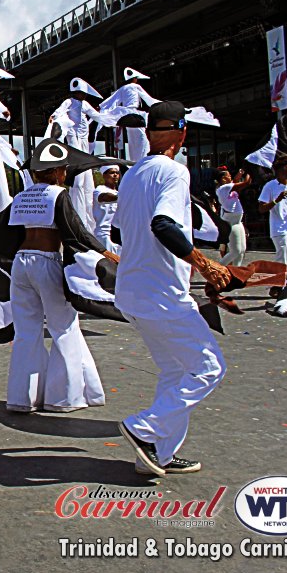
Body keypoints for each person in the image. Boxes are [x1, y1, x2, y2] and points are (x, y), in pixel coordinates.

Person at [112, 101, 230, 476]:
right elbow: (163, 225)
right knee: (208, 368)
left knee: (175, 371)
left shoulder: (133, 174)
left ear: (149, 133)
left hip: (133, 292)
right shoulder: (175, 172)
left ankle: (157, 455)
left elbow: (117, 231)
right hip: (163, 294)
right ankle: (144, 427)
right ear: (182, 133)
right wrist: (205, 263)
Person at [4, 144, 113, 413]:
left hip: (21, 264)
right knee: (63, 327)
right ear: (57, 172)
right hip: (46, 262)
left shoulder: (21, 196)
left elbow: (9, 231)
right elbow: (76, 232)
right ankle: (63, 398)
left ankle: (21, 399)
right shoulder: (58, 195)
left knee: (26, 332)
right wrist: (108, 255)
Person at [49, 77, 109, 231]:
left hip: (83, 139)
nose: (81, 95)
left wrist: (110, 117)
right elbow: (59, 111)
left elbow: (95, 116)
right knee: (79, 179)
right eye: (79, 93)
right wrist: (54, 117)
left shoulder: (85, 104)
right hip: (73, 136)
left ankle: (89, 219)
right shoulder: (69, 102)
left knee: (88, 179)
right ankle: (78, 215)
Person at [99, 67, 158, 162]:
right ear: (135, 79)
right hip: (135, 114)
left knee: (132, 140)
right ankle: (142, 160)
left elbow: (112, 100)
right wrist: (160, 104)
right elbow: (148, 99)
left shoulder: (122, 88)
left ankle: (134, 161)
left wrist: (102, 107)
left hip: (127, 115)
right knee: (142, 139)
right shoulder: (136, 86)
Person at [258, 157, 287, 272]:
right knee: (283, 257)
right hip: (279, 228)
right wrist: (276, 200)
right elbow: (261, 209)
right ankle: (280, 283)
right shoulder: (269, 186)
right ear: (279, 172)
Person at [214, 167, 252, 267]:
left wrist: (239, 174)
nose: (230, 176)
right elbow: (246, 183)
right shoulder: (223, 188)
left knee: (242, 250)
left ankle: (236, 273)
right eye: (228, 175)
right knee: (235, 251)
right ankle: (218, 270)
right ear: (223, 179)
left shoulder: (227, 187)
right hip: (230, 221)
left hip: (237, 220)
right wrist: (250, 171)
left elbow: (235, 181)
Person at [93, 165, 121, 254]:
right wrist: (122, 197)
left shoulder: (119, 192)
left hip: (119, 236)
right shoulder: (100, 189)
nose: (115, 175)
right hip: (104, 236)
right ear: (104, 176)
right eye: (112, 173)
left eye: (117, 173)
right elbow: (103, 197)